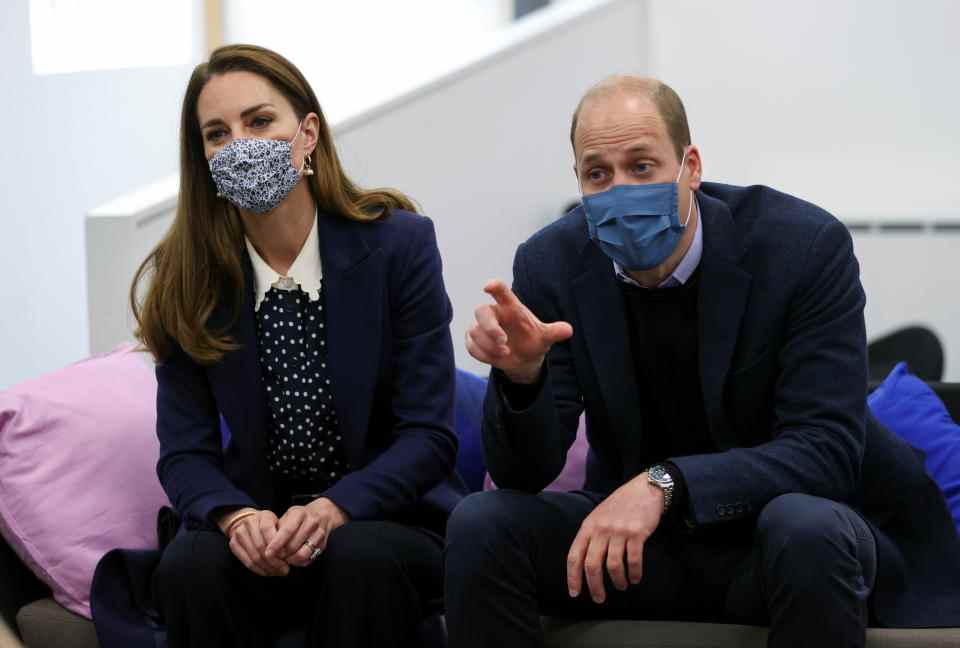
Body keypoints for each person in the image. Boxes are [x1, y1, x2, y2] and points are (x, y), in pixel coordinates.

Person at [445, 76, 960, 648]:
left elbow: (827, 450)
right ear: (579, 182)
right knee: (482, 524)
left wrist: (665, 484)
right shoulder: (552, 262)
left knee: (803, 525)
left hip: (797, 539)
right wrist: (522, 380)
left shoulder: (802, 248)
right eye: (598, 174)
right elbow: (523, 475)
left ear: (690, 166)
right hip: (645, 549)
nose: (620, 190)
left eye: (642, 167)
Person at [130, 44, 462, 648]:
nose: (240, 143)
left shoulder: (400, 247)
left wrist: (335, 509)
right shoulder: (187, 278)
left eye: (259, 122)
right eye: (216, 133)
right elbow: (184, 455)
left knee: (357, 557)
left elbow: (429, 436)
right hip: (261, 532)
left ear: (307, 133)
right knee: (188, 567)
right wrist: (235, 518)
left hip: (381, 522)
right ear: (202, 158)